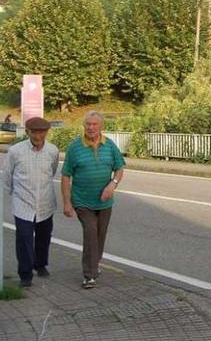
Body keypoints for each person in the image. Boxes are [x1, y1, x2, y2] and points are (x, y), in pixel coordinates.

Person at [61, 111, 125, 289]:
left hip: (105, 202)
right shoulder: (75, 147)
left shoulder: (110, 145)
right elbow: (66, 176)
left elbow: (119, 169)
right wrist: (67, 202)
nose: (91, 127)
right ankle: (89, 275)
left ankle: (94, 265)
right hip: (82, 201)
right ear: (84, 126)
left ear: (101, 127)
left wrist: (112, 185)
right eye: (88, 124)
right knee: (90, 232)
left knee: (99, 235)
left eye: (94, 124)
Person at [1, 116, 59, 288]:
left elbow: (53, 171)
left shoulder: (52, 151)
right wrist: (16, 193)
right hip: (23, 203)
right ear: (27, 132)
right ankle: (25, 274)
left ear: (47, 133)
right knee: (24, 239)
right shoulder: (15, 151)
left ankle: (40, 265)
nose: (38, 136)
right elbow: (7, 175)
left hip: (45, 202)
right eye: (34, 132)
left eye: (42, 132)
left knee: (44, 236)